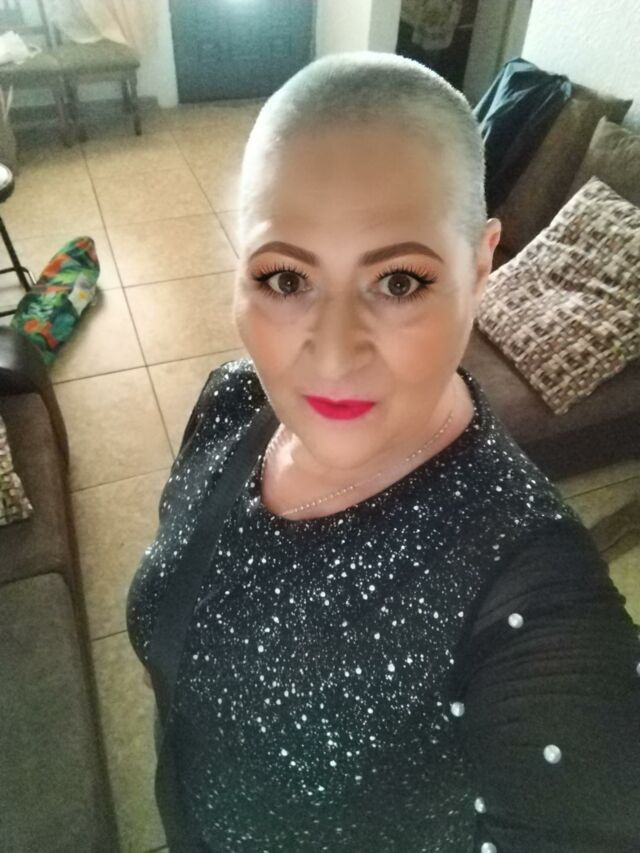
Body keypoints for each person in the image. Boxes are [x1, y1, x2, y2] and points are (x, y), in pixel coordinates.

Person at [126, 51, 640, 852]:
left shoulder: (529, 589)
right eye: (285, 278)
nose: (333, 355)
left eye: (399, 281)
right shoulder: (232, 398)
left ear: (480, 265)